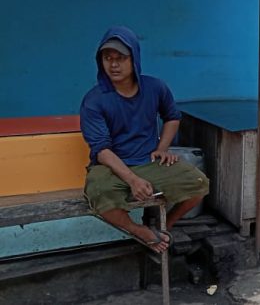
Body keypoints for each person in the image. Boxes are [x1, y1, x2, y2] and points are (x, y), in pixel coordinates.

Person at [81, 26, 210, 254]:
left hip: (148, 161)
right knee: (98, 193)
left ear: (134, 59)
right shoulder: (94, 100)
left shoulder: (155, 88)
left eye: (120, 58)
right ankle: (140, 231)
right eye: (107, 58)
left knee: (199, 184)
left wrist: (162, 148)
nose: (113, 65)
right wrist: (132, 180)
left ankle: (163, 227)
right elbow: (101, 149)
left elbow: (172, 116)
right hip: (111, 166)